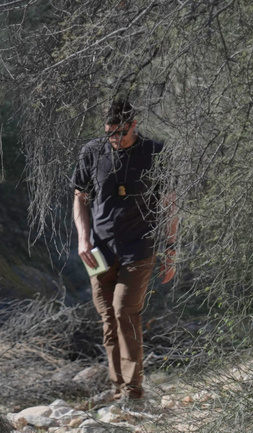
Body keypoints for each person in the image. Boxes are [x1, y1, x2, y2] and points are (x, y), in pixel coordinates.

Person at [71, 98, 177, 404]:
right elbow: (80, 197)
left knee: (125, 312)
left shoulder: (155, 153)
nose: (115, 138)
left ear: (134, 125)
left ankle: (133, 390)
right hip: (98, 250)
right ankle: (118, 388)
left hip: (139, 248)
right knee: (108, 318)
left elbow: (170, 203)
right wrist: (82, 239)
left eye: (120, 132)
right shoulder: (92, 152)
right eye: (109, 133)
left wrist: (170, 249)